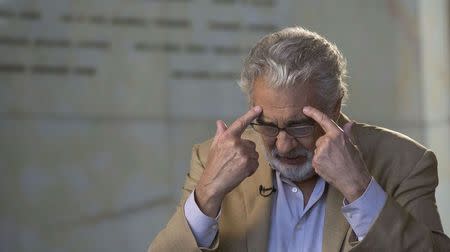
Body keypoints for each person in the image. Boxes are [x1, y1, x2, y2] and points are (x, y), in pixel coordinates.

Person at [149, 27, 450, 251]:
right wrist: (206, 195)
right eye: (265, 125)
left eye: (300, 126)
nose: (283, 145)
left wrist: (360, 189)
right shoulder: (211, 158)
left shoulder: (406, 162)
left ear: (335, 105)